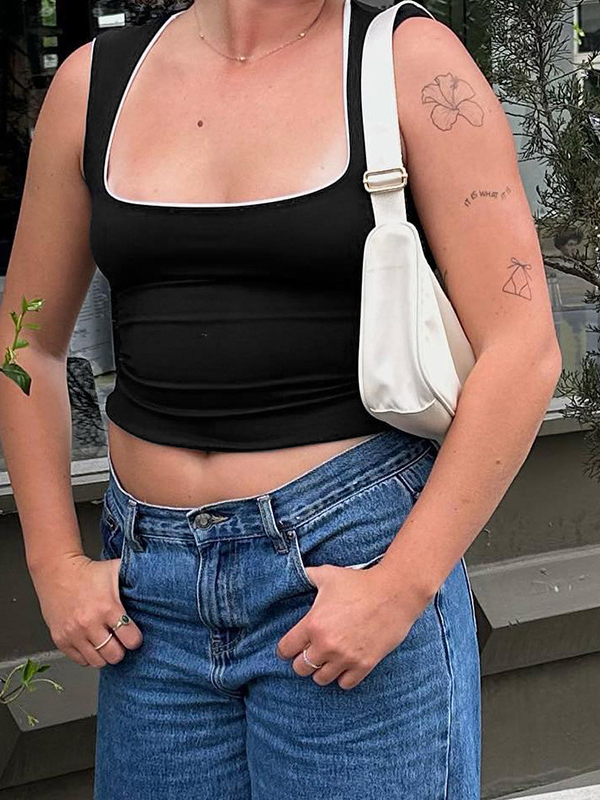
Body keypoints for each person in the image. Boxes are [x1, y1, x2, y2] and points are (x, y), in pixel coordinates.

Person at [0, 0, 562, 797]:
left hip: (349, 567)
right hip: (148, 599)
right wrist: (53, 562)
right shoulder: (96, 84)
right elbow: (25, 343)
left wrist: (401, 586)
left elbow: (523, 350)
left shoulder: (406, 62)